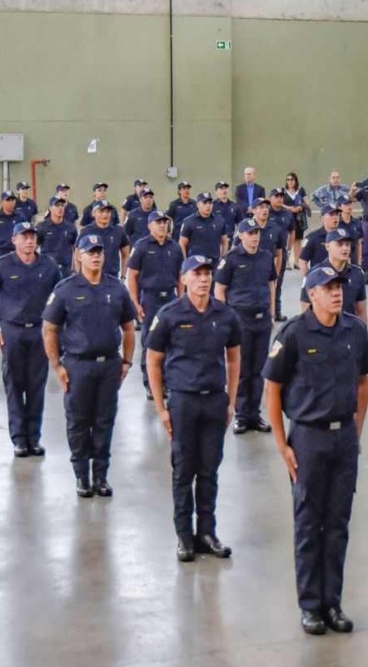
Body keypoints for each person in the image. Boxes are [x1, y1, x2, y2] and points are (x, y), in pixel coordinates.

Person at [263, 266, 368, 636]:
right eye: (327, 288)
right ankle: (311, 605)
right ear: (311, 294)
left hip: (344, 438)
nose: (336, 293)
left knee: (338, 523)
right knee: (310, 524)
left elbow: (363, 383)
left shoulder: (355, 330)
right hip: (308, 439)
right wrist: (282, 444)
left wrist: (356, 430)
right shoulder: (294, 334)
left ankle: (333, 603)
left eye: (338, 287)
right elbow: (272, 389)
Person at [147, 255, 243, 562]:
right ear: (184, 278)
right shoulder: (170, 315)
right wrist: (161, 407)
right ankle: (184, 536)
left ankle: (207, 532)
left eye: (207, 274)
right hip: (184, 401)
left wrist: (231, 401)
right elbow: (153, 360)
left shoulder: (225, 315)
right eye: (196, 274)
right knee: (183, 470)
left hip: (214, 400)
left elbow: (234, 358)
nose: (203, 279)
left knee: (209, 469)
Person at [43, 233, 138, 497]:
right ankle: (82, 476)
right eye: (90, 252)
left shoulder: (116, 289)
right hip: (78, 366)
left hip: (109, 366)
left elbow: (129, 328)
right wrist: (57, 365)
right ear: (79, 255)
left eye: (99, 252)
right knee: (78, 422)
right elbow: (50, 329)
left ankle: (101, 477)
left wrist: (127, 361)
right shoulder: (66, 289)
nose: (96, 256)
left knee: (105, 421)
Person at [0, 222, 62, 457]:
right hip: (12, 331)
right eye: (24, 237)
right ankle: (18, 439)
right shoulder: (3, 265)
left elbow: (61, 298)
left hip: (39, 332)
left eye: (32, 237)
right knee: (14, 385)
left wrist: (57, 332)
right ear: (14, 240)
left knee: (36, 385)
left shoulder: (49, 266)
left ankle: (34, 438)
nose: (29, 241)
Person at [216, 218, 279, 436]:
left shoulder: (266, 257)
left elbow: (271, 284)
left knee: (259, 370)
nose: (254, 237)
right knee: (242, 369)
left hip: (262, 320)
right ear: (241, 235)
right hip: (240, 319)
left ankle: (254, 414)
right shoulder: (231, 259)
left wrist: (272, 312)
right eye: (250, 233)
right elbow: (220, 289)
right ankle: (241, 415)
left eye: (257, 233)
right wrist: (224, 318)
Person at [126, 210, 184, 399]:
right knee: (151, 341)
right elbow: (132, 275)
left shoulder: (175, 247)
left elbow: (181, 276)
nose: (162, 225)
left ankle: (167, 382)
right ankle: (151, 384)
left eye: (164, 222)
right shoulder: (142, 247)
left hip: (170, 298)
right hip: (150, 299)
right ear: (150, 225)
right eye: (158, 222)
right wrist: (135, 302)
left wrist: (182, 299)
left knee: (171, 341)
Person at [299, 228, 368, 322]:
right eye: (339, 244)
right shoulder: (314, 275)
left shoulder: (357, 274)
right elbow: (306, 312)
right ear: (327, 246)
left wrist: (363, 330)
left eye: (347, 244)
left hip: (349, 328)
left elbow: (361, 312)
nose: (345, 248)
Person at [75, 201, 130, 279]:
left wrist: (123, 276)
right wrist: (79, 275)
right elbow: (77, 255)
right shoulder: (86, 231)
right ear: (93, 213)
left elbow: (126, 255)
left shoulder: (119, 231)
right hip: (91, 276)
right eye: (101, 211)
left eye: (108, 212)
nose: (105, 214)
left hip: (112, 276)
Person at [267, 188, 294, 321]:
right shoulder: (266, 212)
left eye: (281, 196)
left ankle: (277, 312)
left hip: (281, 253)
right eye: (276, 196)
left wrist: (288, 250)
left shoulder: (287, 214)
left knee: (278, 282)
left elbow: (292, 231)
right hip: (267, 253)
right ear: (270, 198)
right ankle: (266, 312)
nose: (279, 198)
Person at [36, 197, 78, 278]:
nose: (60, 208)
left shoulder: (70, 227)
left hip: (66, 269)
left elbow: (76, 249)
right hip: (47, 268)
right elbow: (34, 247)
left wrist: (76, 269)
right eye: (57, 205)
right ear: (50, 208)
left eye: (62, 205)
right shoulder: (42, 227)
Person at [179, 191, 226, 261]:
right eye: (205, 203)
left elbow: (224, 242)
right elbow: (182, 243)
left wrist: (223, 259)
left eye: (210, 203)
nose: (208, 205)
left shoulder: (220, 220)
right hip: (196, 262)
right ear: (198, 205)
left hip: (214, 262)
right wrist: (185, 261)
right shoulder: (189, 221)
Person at [298, 203, 341, 277]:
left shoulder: (343, 237)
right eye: (331, 214)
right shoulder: (313, 238)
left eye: (337, 214)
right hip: (321, 279)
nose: (335, 217)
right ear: (322, 218)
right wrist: (310, 279)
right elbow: (302, 262)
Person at [283, 173, 309, 268]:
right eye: (288, 179)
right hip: (287, 217)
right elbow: (279, 203)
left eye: (292, 179)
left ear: (295, 180)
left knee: (298, 240)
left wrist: (300, 207)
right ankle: (287, 262)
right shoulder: (283, 190)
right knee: (287, 239)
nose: (290, 181)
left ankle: (296, 261)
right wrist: (289, 208)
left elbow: (307, 202)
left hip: (298, 218)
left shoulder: (301, 190)